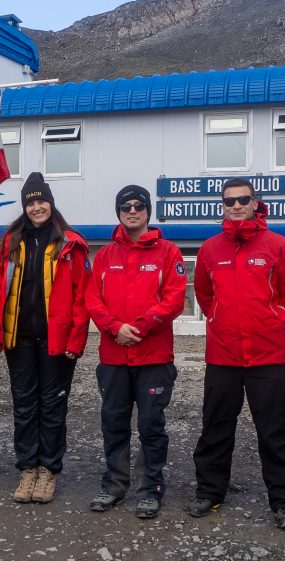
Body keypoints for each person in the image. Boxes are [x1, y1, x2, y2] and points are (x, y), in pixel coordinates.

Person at [188, 178, 285, 529]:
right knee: (215, 427)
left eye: (243, 199)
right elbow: (205, 297)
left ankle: (284, 502)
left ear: (256, 202)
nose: (235, 206)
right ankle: (210, 491)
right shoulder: (209, 249)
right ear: (222, 206)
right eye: (229, 201)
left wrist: (269, 319)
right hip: (223, 355)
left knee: (275, 430)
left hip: (266, 355)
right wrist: (222, 321)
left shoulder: (280, 246)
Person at [85, 184, 186, 519]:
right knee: (113, 423)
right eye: (125, 206)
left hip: (153, 357)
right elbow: (92, 300)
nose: (132, 211)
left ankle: (150, 489)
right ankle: (114, 485)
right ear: (118, 211)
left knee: (151, 424)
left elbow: (174, 298)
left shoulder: (168, 252)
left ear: (147, 211)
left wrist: (140, 327)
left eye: (138, 205)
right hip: (113, 357)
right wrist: (115, 328)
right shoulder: (104, 256)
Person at [0, 172, 91, 504]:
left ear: (51, 203)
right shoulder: (10, 242)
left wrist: (76, 341)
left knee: (52, 407)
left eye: (41, 201)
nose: (36, 207)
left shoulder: (70, 242)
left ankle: (48, 470)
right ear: (24, 206)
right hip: (18, 340)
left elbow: (82, 296)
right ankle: (27, 469)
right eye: (31, 202)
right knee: (23, 406)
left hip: (56, 342)